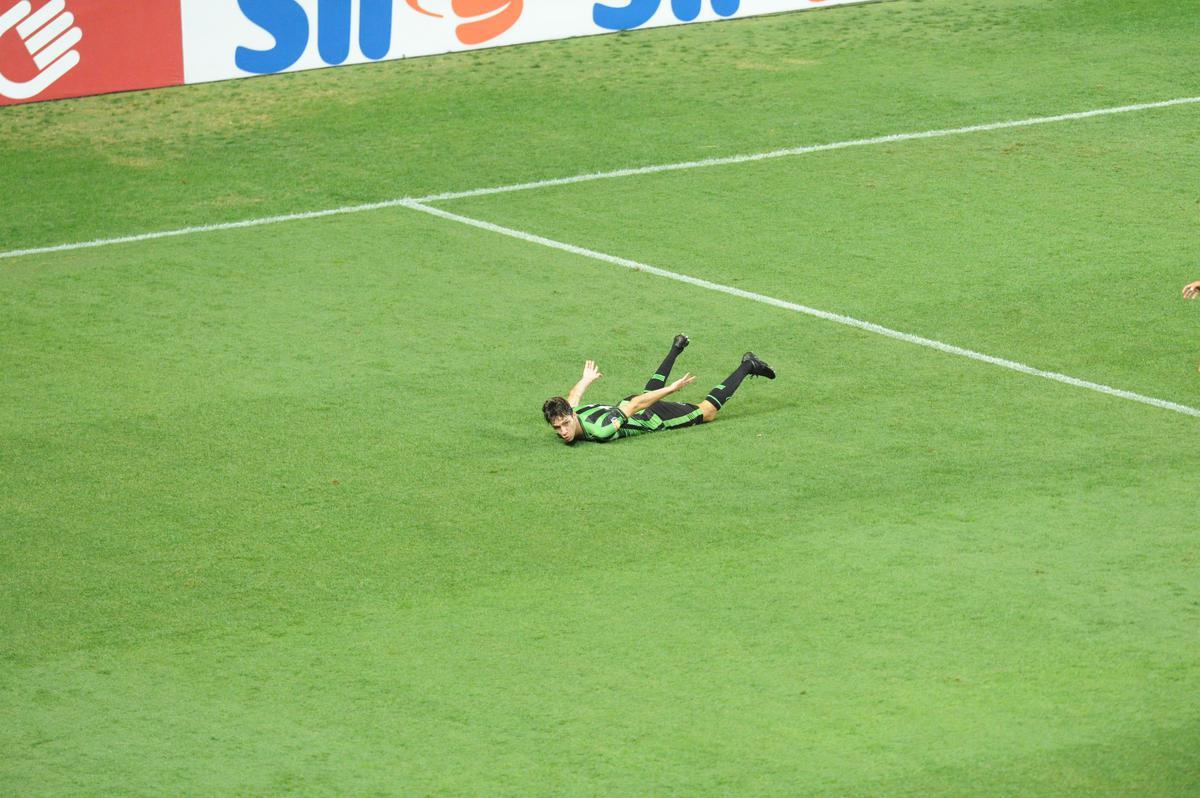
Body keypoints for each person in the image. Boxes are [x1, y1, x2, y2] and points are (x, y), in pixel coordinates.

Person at [542, 334, 776, 444]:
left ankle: (748, 365)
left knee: (707, 412)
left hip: (652, 418)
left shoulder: (600, 430)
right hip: (629, 404)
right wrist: (585, 380)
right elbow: (573, 397)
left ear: (572, 415)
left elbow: (637, 406)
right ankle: (677, 347)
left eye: (565, 423)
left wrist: (672, 389)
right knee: (647, 396)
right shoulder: (570, 411)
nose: (563, 431)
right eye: (557, 427)